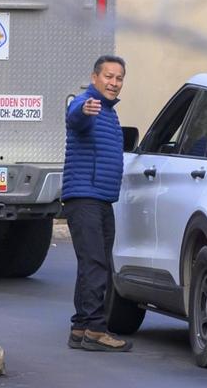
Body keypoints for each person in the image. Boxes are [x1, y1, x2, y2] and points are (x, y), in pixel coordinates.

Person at [62, 55, 132, 352]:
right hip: (85, 197)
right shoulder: (87, 104)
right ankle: (96, 331)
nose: (114, 83)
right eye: (109, 76)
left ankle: (80, 328)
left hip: (100, 198)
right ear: (94, 78)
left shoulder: (109, 112)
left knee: (90, 264)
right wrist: (85, 109)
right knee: (96, 264)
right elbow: (75, 115)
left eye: (119, 78)